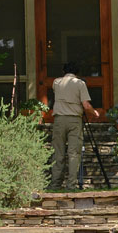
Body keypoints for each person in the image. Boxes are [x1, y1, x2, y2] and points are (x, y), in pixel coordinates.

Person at [50, 62, 100, 190]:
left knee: (58, 152)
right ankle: (71, 184)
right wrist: (94, 113)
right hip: (74, 120)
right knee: (74, 153)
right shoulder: (80, 84)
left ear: (63, 71)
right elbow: (86, 105)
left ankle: (55, 183)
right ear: (77, 72)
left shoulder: (56, 82)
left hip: (59, 120)